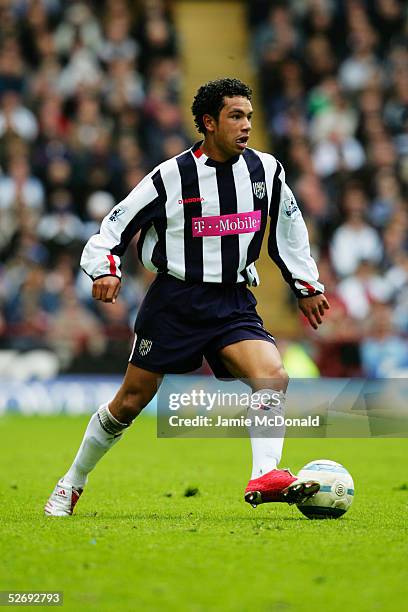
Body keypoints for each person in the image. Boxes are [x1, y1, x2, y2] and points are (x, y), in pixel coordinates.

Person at [45, 78, 329, 516]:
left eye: (249, 116)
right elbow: (114, 227)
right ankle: (72, 482)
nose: (246, 125)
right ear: (208, 123)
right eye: (236, 116)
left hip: (232, 301)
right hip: (175, 302)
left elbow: (290, 231)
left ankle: (265, 475)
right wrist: (105, 268)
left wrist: (305, 286)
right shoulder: (170, 177)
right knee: (130, 403)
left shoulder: (267, 171)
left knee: (272, 375)